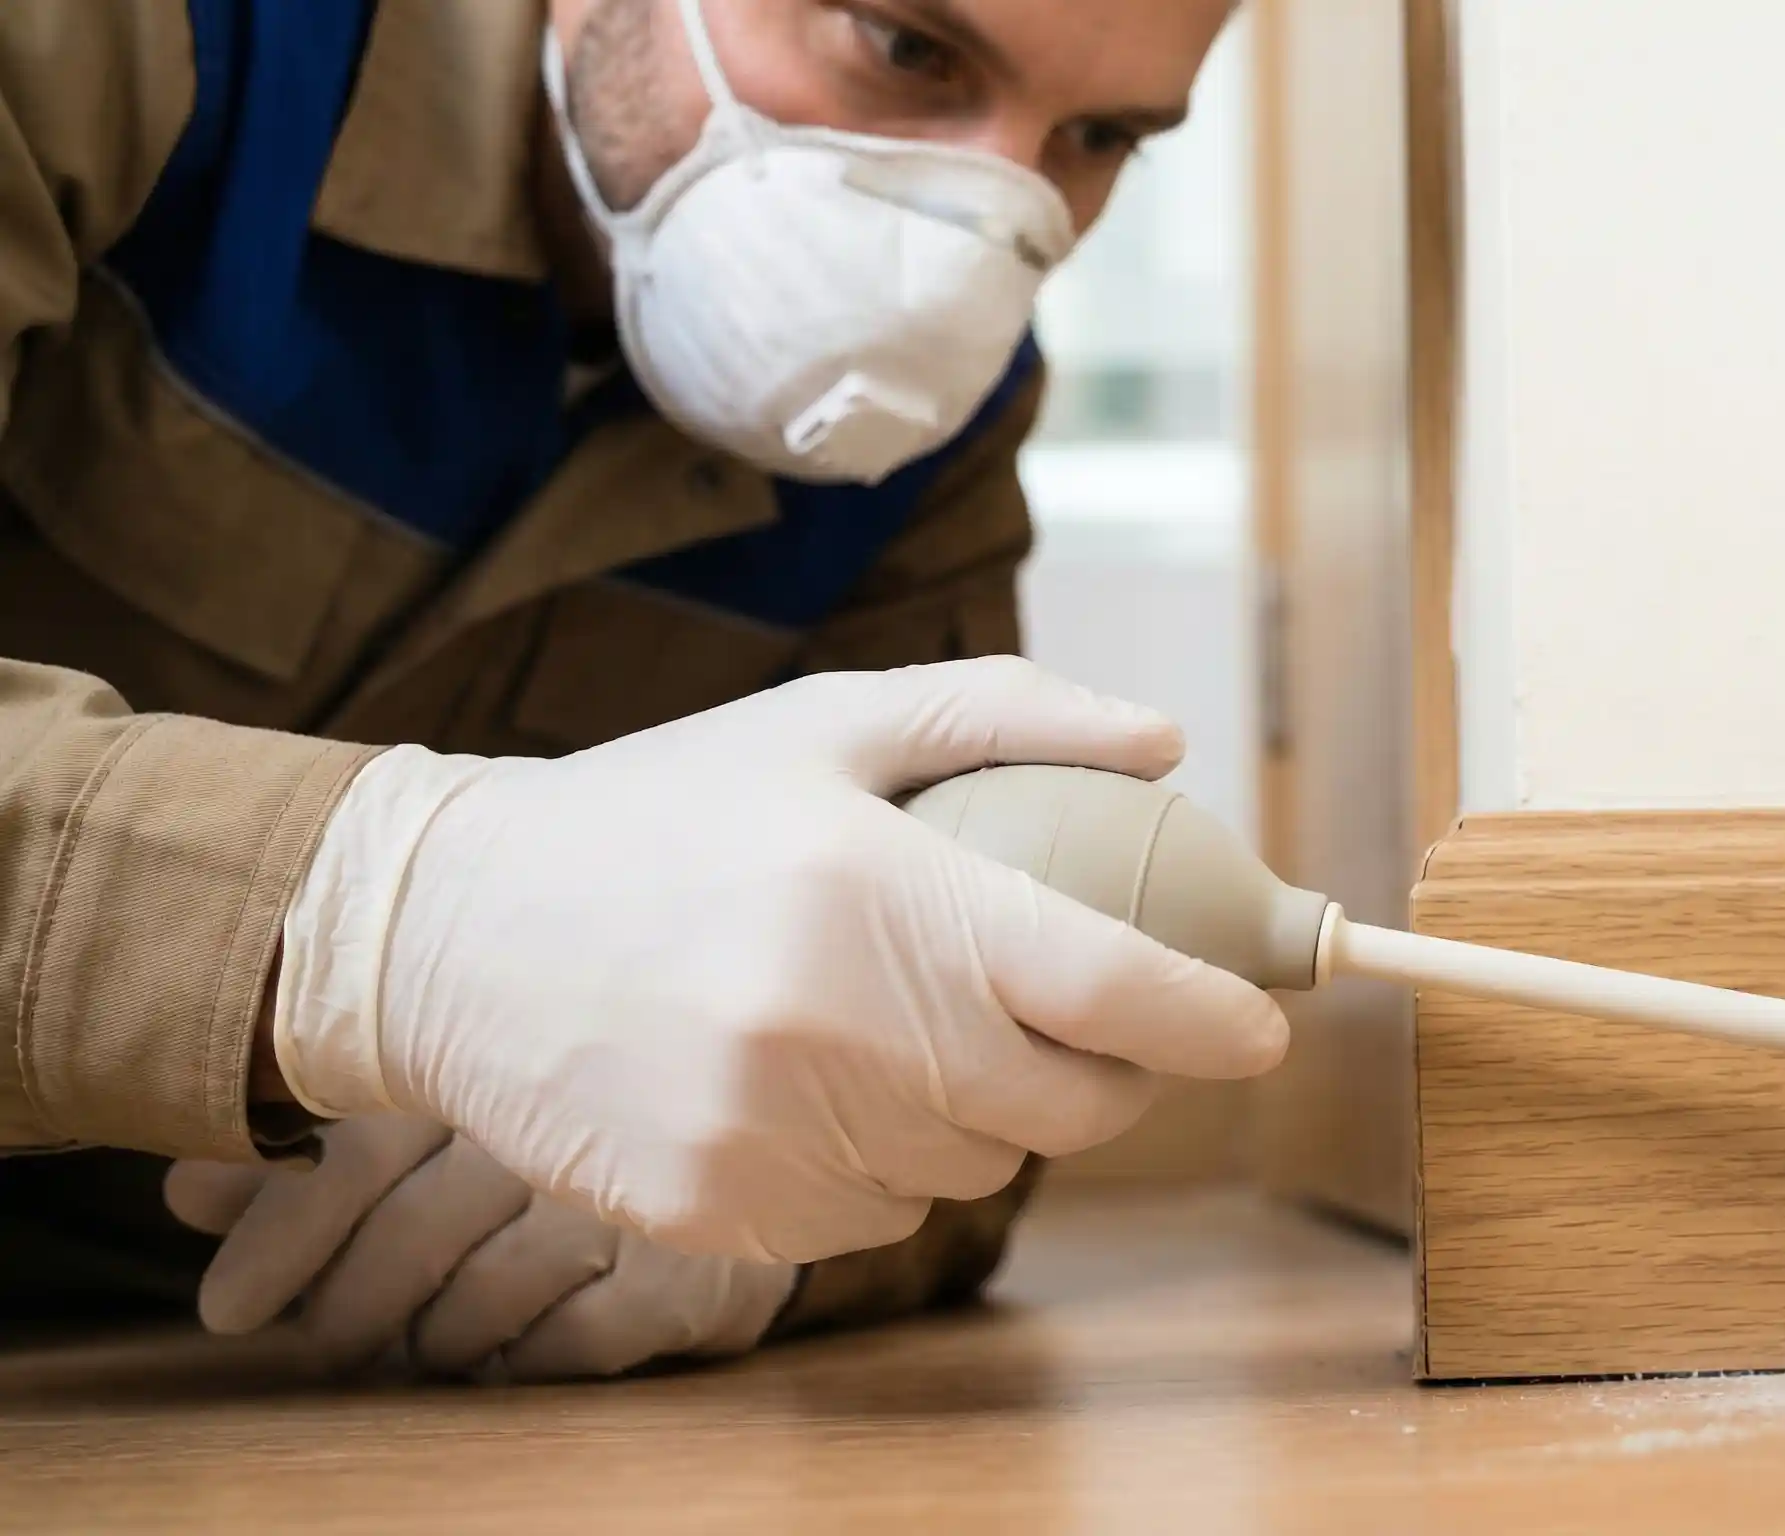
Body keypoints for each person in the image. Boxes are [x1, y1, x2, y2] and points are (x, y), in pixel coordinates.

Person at [0, 0, 1282, 1382]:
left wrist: (780, 1216)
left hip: (216, 1371)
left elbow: (974, 1064)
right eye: (908, 49)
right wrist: (384, 913)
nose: (976, 227)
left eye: (1097, 138)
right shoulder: (138, 45)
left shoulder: (916, 428)